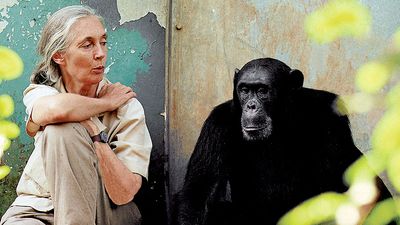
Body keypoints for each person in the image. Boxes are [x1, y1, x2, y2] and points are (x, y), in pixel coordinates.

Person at [0, 5, 152, 225]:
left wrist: (96, 137)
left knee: (62, 129)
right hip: (40, 208)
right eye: (87, 45)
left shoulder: (127, 108)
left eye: (103, 42)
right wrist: (103, 104)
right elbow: (52, 110)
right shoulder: (43, 92)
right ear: (59, 56)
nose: (100, 53)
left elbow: (125, 193)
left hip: (105, 212)